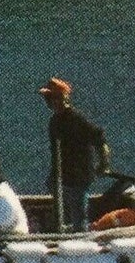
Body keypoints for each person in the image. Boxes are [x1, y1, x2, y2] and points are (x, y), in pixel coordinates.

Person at [40, 77, 111, 232]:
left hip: (77, 176)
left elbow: (99, 139)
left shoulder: (76, 119)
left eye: (50, 97)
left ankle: (80, 239)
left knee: (78, 215)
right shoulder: (55, 121)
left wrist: (103, 163)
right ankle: (61, 232)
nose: (47, 101)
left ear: (59, 99)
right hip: (61, 176)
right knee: (61, 213)